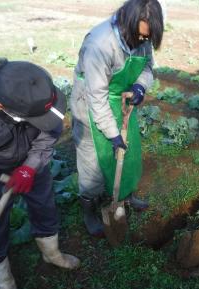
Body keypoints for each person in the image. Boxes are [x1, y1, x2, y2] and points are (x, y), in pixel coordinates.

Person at [70, 0, 164, 237]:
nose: (144, 42)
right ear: (127, 24)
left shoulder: (142, 38)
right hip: (92, 104)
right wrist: (112, 134)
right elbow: (97, 97)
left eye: (147, 38)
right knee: (93, 162)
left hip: (122, 102)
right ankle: (89, 210)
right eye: (140, 37)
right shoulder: (100, 44)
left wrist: (140, 87)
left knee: (128, 152)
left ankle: (127, 195)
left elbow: (147, 68)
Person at [0, 58, 80, 289]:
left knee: (44, 205)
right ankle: (5, 283)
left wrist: (30, 167)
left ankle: (51, 253)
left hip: (33, 163)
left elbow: (49, 131)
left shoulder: (40, 94)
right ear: (0, 105)